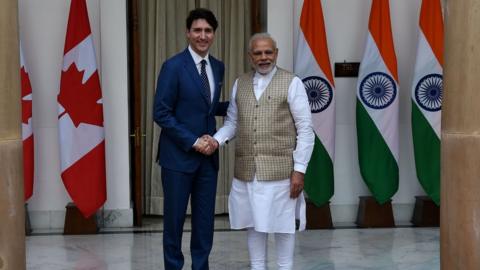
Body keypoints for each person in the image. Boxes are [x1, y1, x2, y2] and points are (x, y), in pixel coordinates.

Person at [211, 33, 314, 270]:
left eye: (268, 52)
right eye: (258, 53)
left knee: (283, 225)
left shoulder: (292, 82)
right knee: (254, 223)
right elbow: (232, 123)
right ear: (250, 56)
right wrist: (216, 141)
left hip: (281, 173)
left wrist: (299, 170)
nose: (264, 57)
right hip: (247, 171)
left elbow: (306, 131)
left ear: (276, 53)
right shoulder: (241, 83)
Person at [153, 8, 228, 270]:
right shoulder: (173, 66)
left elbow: (207, 106)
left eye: (208, 31)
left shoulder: (218, 66)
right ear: (188, 33)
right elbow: (161, 112)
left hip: (208, 161)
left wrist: (243, 103)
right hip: (178, 158)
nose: (202, 35)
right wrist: (195, 141)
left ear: (214, 34)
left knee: (204, 223)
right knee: (173, 224)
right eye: (197, 30)